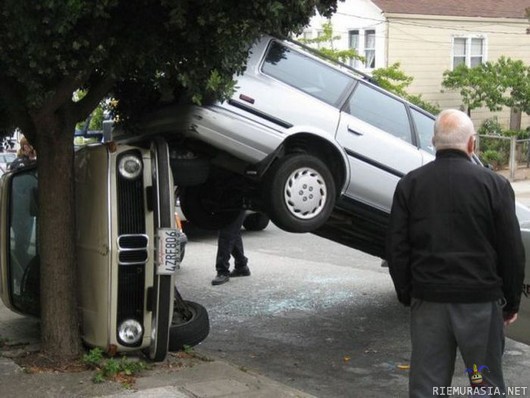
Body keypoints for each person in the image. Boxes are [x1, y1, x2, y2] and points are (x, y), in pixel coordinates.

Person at [386, 109, 525, 397]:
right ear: (472, 143)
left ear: (433, 142)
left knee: (428, 385)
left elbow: (397, 247)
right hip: (480, 306)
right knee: (483, 382)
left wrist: (408, 293)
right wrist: (511, 302)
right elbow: (511, 250)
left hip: (429, 303)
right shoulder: (494, 185)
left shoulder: (410, 185)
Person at [212, 210, 250, 285]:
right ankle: (241, 265)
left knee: (226, 232)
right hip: (230, 203)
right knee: (232, 231)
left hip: (236, 203)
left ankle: (222, 271)